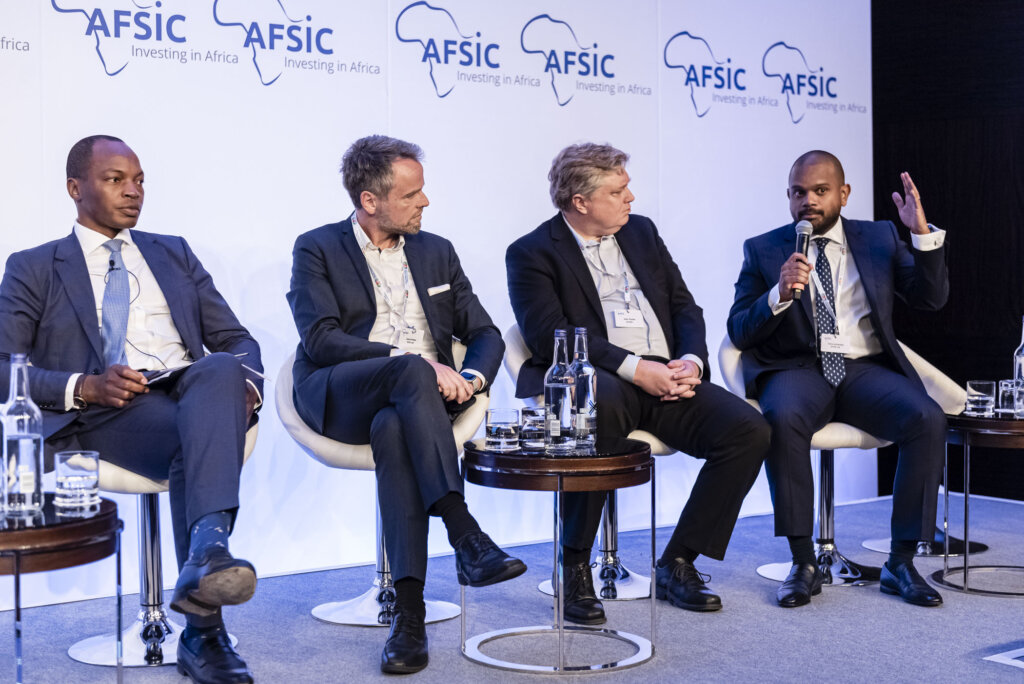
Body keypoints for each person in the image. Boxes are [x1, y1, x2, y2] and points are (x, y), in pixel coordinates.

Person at [0, 135, 263, 683]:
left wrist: (246, 387)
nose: (133, 191)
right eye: (115, 179)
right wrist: (85, 386)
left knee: (220, 367)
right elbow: (5, 368)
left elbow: (235, 339)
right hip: (107, 411)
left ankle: (206, 559)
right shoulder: (33, 266)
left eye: (139, 180)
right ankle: (205, 629)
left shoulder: (173, 252)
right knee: (193, 437)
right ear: (75, 188)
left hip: (190, 391)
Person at [287, 135, 526, 675]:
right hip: (344, 392)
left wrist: (471, 377)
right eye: (412, 194)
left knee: (395, 428)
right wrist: (411, 361)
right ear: (370, 201)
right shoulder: (316, 247)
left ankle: (409, 615)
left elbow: (484, 332)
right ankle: (463, 528)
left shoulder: (436, 250)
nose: (425, 202)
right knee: (411, 370)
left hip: (419, 406)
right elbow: (321, 339)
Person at [506, 143, 769, 624]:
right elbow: (550, 334)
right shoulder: (532, 252)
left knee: (748, 430)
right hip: (600, 377)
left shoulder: (641, 231)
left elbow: (684, 305)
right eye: (617, 191)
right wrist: (635, 368)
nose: (631, 197)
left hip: (666, 373)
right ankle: (574, 566)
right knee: (595, 410)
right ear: (581, 201)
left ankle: (678, 561)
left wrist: (691, 361)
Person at [727, 150, 948, 608]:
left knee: (927, 418)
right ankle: (803, 562)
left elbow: (930, 299)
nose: (808, 200)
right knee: (782, 418)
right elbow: (740, 329)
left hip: (863, 369)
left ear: (843, 194)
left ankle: (901, 562)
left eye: (820, 191)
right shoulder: (764, 248)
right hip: (797, 368)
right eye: (798, 192)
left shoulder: (880, 237)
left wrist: (920, 234)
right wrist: (777, 293)